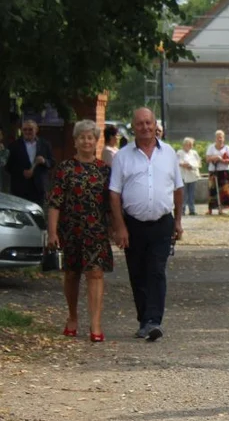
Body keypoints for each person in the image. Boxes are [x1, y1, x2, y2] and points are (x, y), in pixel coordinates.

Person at [109, 107, 184, 342]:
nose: (145, 127)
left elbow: (178, 188)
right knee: (137, 272)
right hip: (133, 224)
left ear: (155, 125)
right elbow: (113, 194)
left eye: (149, 123)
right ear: (133, 127)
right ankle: (144, 319)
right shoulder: (123, 156)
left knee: (156, 270)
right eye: (140, 123)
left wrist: (178, 221)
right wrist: (119, 227)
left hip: (162, 222)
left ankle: (154, 321)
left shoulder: (169, 153)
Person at [46, 120, 113, 342]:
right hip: (70, 230)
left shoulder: (104, 169)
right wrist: (52, 232)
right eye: (82, 137)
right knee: (72, 274)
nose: (86, 141)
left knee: (96, 273)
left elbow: (112, 202)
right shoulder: (65, 168)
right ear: (75, 141)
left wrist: (116, 227)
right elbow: (55, 202)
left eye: (90, 137)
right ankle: (73, 316)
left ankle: (96, 323)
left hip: (96, 231)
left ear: (96, 141)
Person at [7, 119, 54, 206]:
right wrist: (22, 172)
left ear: (36, 130)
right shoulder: (14, 146)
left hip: (38, 188)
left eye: (30, 129)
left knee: (36, 216)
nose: (27, 132)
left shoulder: (45, 144)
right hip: (19, 188)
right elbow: (8, 166)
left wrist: (44, 161)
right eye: (25, 129)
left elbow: (52, 162)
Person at [205, 130, 229, 214]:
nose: (219, 139)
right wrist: (215, 157)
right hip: (213, 170)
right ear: (215, 138)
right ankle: (211, 208)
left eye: (221, 137)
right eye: (218, 137)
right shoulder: (211, 147)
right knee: (212, 189)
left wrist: (221, 160)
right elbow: (207, 159)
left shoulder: (227, 147)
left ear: (223, 138)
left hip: (224, 170)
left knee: (224, 190)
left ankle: (223, 208)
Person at [177, 138, 202, 217]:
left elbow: (199, 162)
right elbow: (177, 161)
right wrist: (184, 164)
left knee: (191, 194)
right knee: (183, 194)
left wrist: (192, 165)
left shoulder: (194, 153)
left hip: (192, 175)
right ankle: (182, 210)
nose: (191, 146)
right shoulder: (179, 152)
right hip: (183, 176)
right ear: (185, 144)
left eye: (191, 144)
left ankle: (192, 210)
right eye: (189, 144)